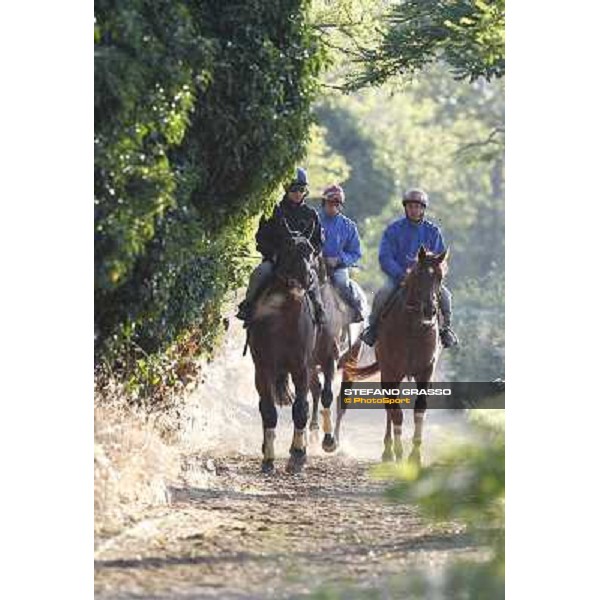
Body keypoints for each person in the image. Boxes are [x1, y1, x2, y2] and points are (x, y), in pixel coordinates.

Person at [360, 188, 459, 348]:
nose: (414, 210)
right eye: (411, 206)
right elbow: (385, 257)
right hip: (399, 279)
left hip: (426, 281)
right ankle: (373, 329)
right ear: (405, 208)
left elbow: (441, 260)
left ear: (423, 209)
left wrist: (435, 276)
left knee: (446, 296)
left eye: (418, 207)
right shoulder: (393, 230)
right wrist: (400, 274)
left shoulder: (433, 232)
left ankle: (445, 331)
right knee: (382, 294)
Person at [236, 167, 326, 325]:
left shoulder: (311, 215)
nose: (297, 193)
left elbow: (319, 241)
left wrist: (310, 254)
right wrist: (272, 253)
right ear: (286, 189)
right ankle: (248, 307)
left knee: (313, 278)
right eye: (293, 189)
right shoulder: (273, 211)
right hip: (276, 260)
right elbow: (261, 237)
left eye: (301, 189)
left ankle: (319, 311)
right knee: (260, 272)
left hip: (301, 262)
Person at [319, 184, 366, 323]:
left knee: (342, 283)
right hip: (315, 265)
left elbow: (356, 253)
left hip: (337, 268)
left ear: (340, 205)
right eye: (329, 202)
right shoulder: (314, 220)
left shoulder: (349, 226)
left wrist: (339, 260)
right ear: (323, 203)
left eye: (336, 203)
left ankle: (356, 311)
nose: (332, 206)